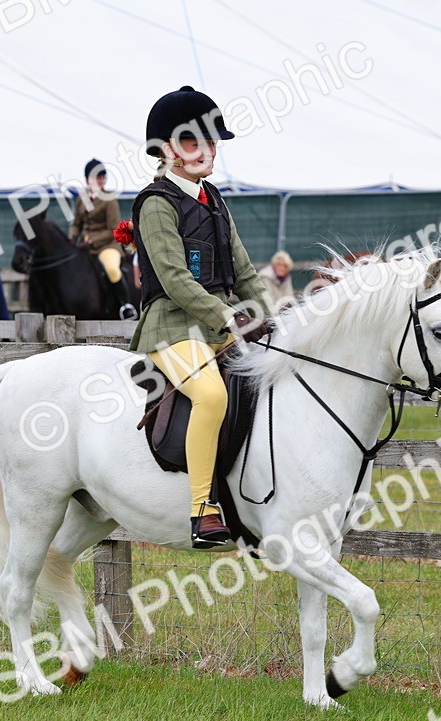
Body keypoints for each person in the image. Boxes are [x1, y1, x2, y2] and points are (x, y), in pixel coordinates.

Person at [130, 85, 272, 549]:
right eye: (194, 141)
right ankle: (202, 509)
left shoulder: (213, 198)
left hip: (220, 323)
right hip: (172, 326)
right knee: (210, 395)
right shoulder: (156, 202)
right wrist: (228, 316)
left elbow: (245, 272)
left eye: (212, 141)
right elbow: (173, 278)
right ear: (166, 149)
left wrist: (272, 317)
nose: (206, 150)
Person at [70, 159, 137, 320]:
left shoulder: (109, 199)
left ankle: (125, 306)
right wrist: (72, 238)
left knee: (112, 269)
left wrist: (93, 240)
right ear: (87, 180)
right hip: (86, 247)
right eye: (96, 177)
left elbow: (113, 229)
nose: (100, 181)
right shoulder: (82, 199)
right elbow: (77, 224)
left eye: (102, 177)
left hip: (107, 245)